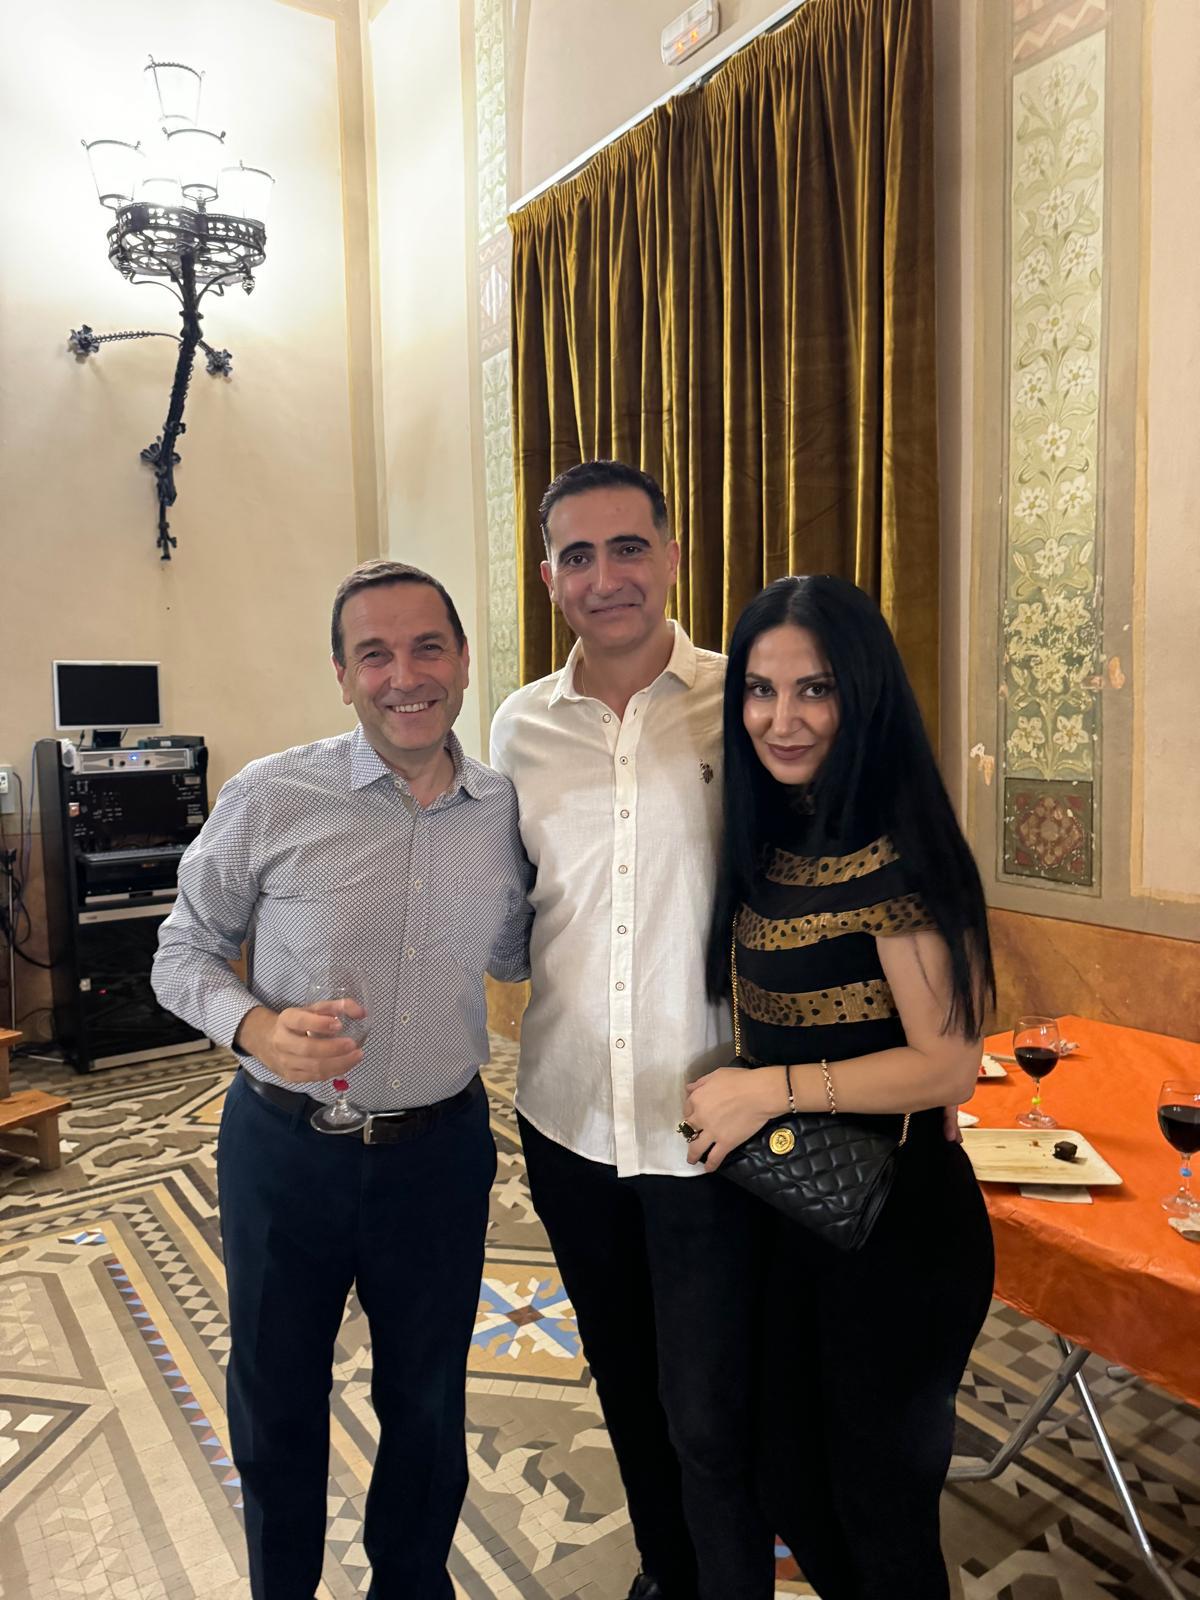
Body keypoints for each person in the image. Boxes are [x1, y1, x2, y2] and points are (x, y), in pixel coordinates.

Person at [152, 560, 530, 1600]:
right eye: (375, 654)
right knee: (276, 1404)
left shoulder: (502, 809)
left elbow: (515, 952)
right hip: (285, 1155)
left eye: (427, 648)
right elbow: (180, 952)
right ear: (342, 673)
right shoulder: (272, 795)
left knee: (427, 1404)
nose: (405, 676)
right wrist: (256, 1028)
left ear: (462, 661)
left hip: (440, 1155)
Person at [490, 461, 776, 1600]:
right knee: (622, 1374)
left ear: (670, 556)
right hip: (567, 1116)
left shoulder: (745, 702)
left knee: (714, 1406)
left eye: (627, 547)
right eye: (577, 555)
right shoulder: (517, 727)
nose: (604, 576)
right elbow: (509, 907)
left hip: (710, 1124)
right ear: (550, 577)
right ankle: (668, 1571)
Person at [685, 574, 996, 1599]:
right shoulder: (774, 834)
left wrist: (765, 1090)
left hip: (900, 1228)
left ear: (863, 692)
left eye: (814, 689)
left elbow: (949, 1064)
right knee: (790, 1476)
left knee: (880, 1512)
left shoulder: (896, 846)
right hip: (801, 1208)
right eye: (761, 690)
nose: (782, 718)